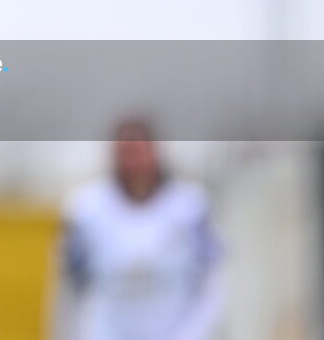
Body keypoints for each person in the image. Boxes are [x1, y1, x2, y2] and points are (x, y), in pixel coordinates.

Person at [55, 118, 225, 340]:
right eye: (125, 152)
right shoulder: (85, 210)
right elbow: (70, 290)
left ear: (156, 151)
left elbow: (212, 282)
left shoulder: (190, 208)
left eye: (139, 151)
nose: (133, 162)